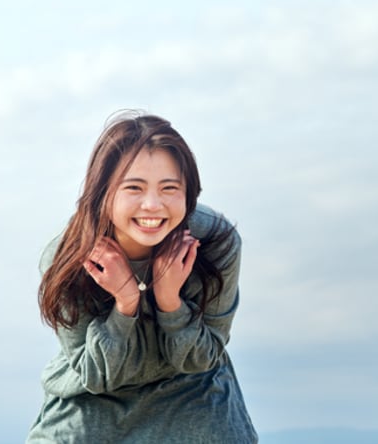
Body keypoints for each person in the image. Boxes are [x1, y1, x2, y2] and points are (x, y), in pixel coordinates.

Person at [26, 112, 258, 443]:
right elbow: (95, 375)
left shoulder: (215, 242)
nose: (152, 205)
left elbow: (203, 358)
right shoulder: (67, 257)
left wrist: (170, 302)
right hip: (92, 402)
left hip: (190, 392)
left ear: (189, 192)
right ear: (102, 191)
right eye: (134, 187)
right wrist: (126, 302)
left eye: (169, 188)